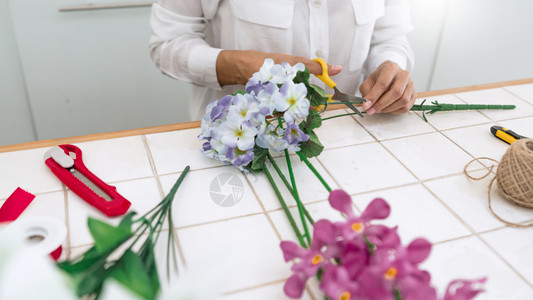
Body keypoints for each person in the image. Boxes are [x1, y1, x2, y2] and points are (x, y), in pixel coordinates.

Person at [149, 0, 415, 120]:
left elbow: (390, 37)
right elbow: (167, 44)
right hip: (240, 146)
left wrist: (390, 68)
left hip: (351, 133)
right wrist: (238, 66)